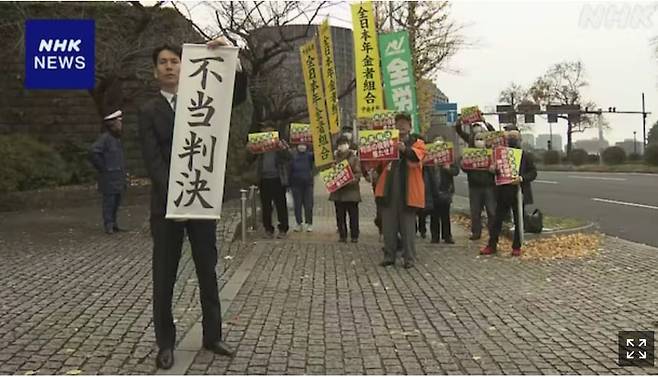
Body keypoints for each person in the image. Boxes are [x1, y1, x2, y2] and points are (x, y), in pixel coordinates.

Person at [137, 38, 247, 370]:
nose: (169, 66)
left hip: (201, 203)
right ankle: (166, 343)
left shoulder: (200, 102)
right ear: (155, 71)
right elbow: (152, 160)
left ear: (184, 67)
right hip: (168, 206)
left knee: (207, 270)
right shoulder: (148, 111)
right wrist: (176, 192)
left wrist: (231, 58)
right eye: (163, 62)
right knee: (165, 275)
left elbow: (237, 96)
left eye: (175, 61)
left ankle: (213, 336)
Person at [375, 113, 426, 269]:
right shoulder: (388, 143)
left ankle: (409, 258)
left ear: (410, 126)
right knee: (388, 227)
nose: (401, 126)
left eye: (405, 123)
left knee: (408, 229)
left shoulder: (418, 143)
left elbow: (416, 157)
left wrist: (404, 149)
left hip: (408, 193)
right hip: (388, 191)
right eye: (398, 123)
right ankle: (389, 256)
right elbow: (379, 164)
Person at [481, 130, 537, 256]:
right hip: (503, 192)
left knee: (519, 220)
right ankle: (492, 245)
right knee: (497, 220)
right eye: (510, 137)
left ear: (520, 139)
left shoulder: (525, 155)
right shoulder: (500, 155)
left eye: (515, 137)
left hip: (518, 192)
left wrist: (521, 179)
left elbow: (533, 172)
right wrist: (492, 170)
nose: (512, 139)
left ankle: (516, 246)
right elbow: (496, 172)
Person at [247, 121, 292, 239]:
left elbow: (289, 157)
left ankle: (283, 228)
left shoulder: (280, 144)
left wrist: (283, 149)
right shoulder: (259, 144)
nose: (267, 134)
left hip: (278, 179)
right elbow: (249, 159)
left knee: (280, 205)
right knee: (266, 206)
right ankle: (268, 229)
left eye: (270, 131)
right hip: (264, 179)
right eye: (264, 131)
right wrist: (250, 149)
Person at [89, 109, 127, 235]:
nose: (121, 125)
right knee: (109, 202)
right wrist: (103, 167)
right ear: (113, 124)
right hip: (109, 177)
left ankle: (114, 223)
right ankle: (108, 224)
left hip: (117, 176)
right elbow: (94, 152)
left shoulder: (116, 139)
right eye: (119, 123)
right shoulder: (105, 138)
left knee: (116, 202)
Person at [461, 130, 497, 240]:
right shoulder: (470, 154)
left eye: (482, 139)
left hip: (489, 186)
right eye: (477, 139)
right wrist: (463, 164)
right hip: (474, 186)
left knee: (491, 211)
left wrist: (494, 169)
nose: (479, 141)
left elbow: (499, 169)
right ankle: (476, 232)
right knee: (475, 212)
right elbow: (464, 168)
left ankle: (493, 233)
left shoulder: (492, 153)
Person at [426, 137, 460, 244]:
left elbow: (456, 171)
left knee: (445, 215)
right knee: (434, 215)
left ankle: (447, 236)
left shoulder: (449, 159)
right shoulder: (430, 160)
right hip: (433, 190)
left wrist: (448, 168)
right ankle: (435, 236)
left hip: (446, 190)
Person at [330, 135, 362, 243]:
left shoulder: (354, 158)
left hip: (351, 193)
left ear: (348, 145)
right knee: (340, 216)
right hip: (338, 193)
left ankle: (354, 235)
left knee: (353, 216)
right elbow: (330, 175)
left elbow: (358, 175)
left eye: (344, 144)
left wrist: (348, 180)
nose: (342, 146)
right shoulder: (335, 159)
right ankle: (342, 235)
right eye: (340, 144)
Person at [289, 143, 314, 232]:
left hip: (308, 184)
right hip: (295, 184)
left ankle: (309, 223)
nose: (301, 146)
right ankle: (298, 223)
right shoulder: (293, 156)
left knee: (308, 205)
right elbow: (289, 169)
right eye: (300, 145)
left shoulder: (310, 156)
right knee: (297, 205)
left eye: (304, 144)